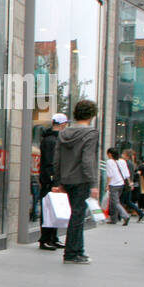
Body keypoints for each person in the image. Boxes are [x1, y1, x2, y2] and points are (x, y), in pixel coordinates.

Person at [54, 99, 100, 264]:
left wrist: (58, 181)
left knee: (75, 215)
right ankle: (72, 253)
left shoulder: (63, 133)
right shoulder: (91, 133)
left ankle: (78, 250)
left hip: (66, 178)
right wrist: (93, 183)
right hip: (81, 179)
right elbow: (88, 160)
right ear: (92, 115)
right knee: (78, 216)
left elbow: (57, 159)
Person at [38, 113, 67, 250]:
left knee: (54, 208)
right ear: (62, 124)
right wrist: (53, 180)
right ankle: (45, 239)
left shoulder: (53, 139)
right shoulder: (52, 140)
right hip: (50, 180)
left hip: (51, 179)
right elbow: (50, 162)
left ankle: (52, 237)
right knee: (49, 209)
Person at [104, 148, 131, 225]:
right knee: (113, 202)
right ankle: (113, 219)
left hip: (114, 184)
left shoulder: (109, 162)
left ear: (110, 154)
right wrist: (129, 183)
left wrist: (107, 185)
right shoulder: (122, 161)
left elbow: (109, 175)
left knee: (115, 202)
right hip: (121, 184)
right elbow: (126, 174)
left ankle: (125, 216)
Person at [120, 149, 144, 220]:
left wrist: (130, 182)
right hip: (129, 183)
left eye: (123, 154)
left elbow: (129, 174)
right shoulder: (130, 163)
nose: (122, 155)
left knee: (122, 201)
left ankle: (121, 215)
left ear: (126, 155)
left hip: (127, 184)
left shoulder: (128, 163)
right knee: (127, 201)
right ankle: (140, 212)